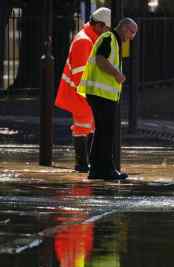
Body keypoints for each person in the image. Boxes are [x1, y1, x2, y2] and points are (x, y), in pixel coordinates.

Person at [78, 17, 138, 180]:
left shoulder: (113, 40)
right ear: (124, 28)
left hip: (101, 93)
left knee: (103, 131)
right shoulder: (109, 38)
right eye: (131, 32)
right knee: (106, 131)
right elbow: (100, 59)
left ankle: (98, 169)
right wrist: (117, 74)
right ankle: (106, 169)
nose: (132, 37)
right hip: (100, 93)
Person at [54, 7, 111, 172]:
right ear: (99, 25)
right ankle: (82, 165)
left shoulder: (88, 38)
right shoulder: (84, 41)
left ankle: (87, 164)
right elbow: (80, 74)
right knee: (83, 127)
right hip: (80, 94)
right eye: (107, 29)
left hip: (82, 93)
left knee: (88, 126)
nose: (108, 33)